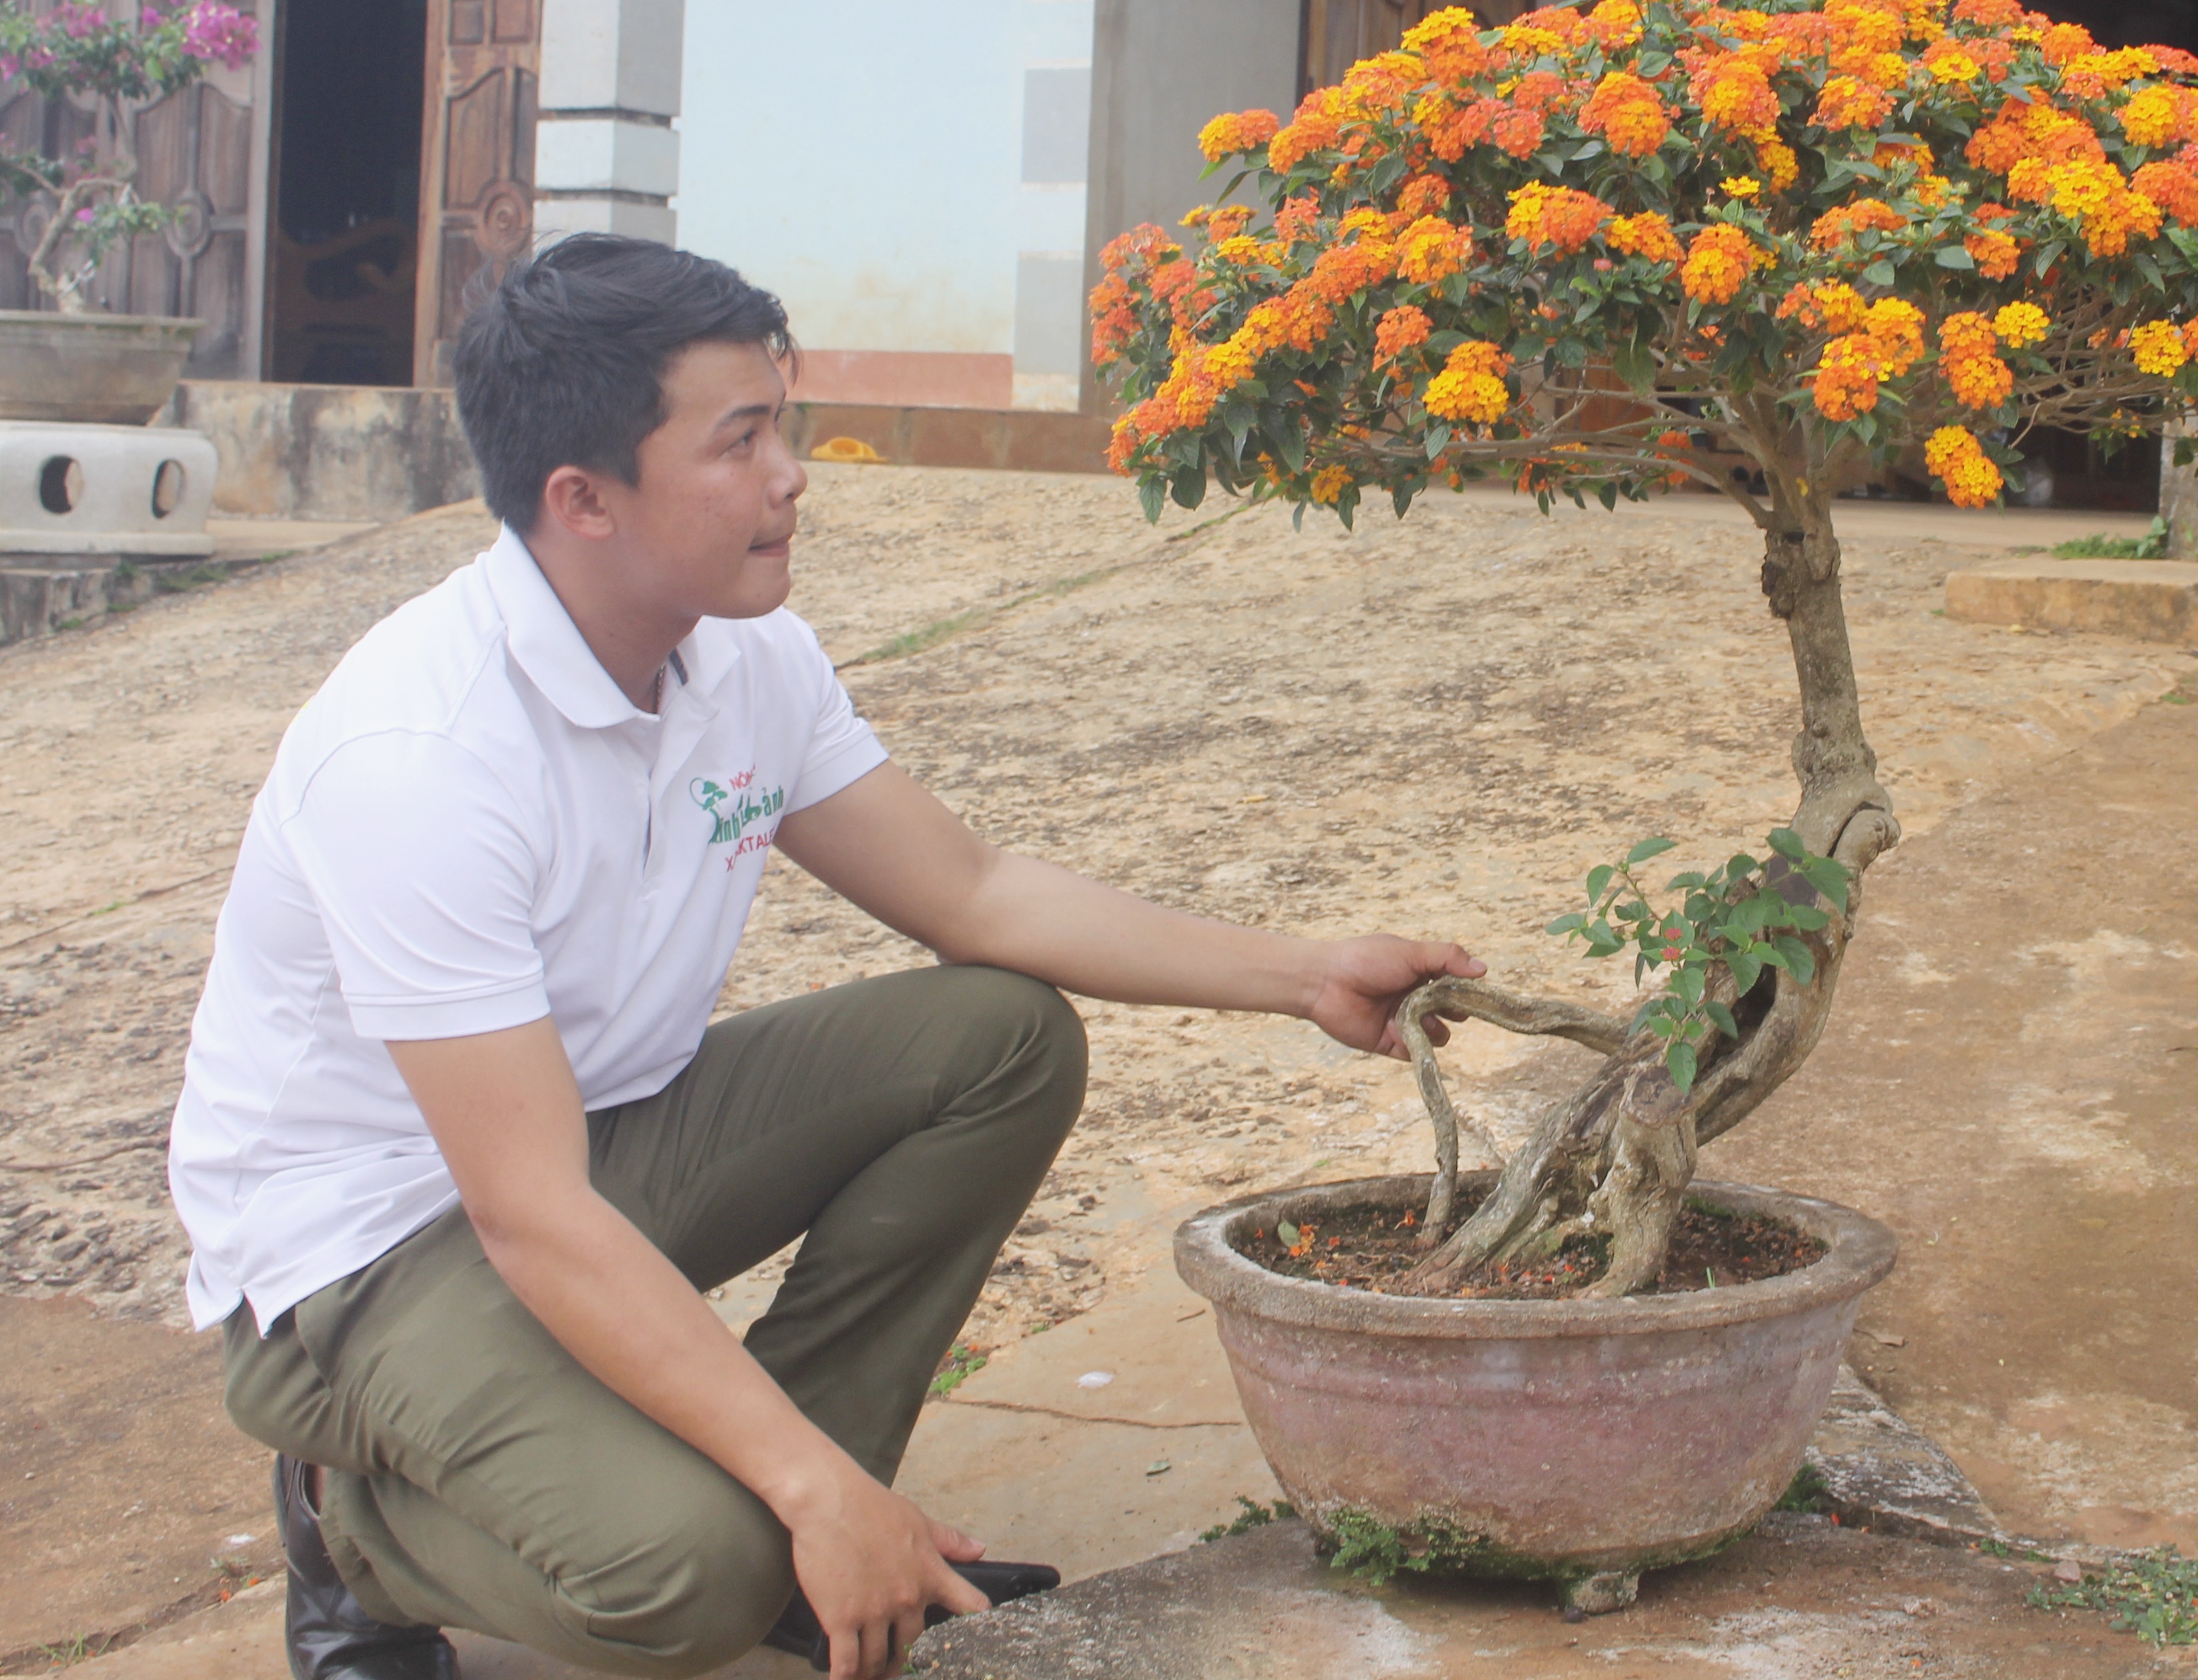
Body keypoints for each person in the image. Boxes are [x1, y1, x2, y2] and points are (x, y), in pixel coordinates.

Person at [166, 235, 1483, 1680]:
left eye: (780, 427)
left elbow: (973, 891)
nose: (791, 476)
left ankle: (807, 1522)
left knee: (997, 1040)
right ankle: (349, 1528)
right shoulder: (419, 757)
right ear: (583, 499)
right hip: (367, 1259)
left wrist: (1306, 974)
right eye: (739, 442)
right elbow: (527, 1212)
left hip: (590, 1151)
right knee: (685, 1581)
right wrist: (798, 1488)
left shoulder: (744, 656)